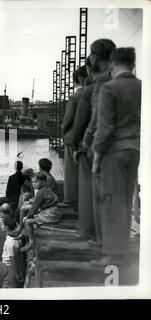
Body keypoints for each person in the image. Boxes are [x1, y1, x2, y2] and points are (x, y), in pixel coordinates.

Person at [91, 47, 141, 265]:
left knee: (112, 201)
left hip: (114, 151)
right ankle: (125, 250)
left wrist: (96, 155)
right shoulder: (142, 86)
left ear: (112, 64)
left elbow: (104, 128)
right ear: (133, 64)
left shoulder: (109, 88)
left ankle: (113, 254)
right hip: (135, 149)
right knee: (126, 198)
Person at [82, 38, 116, 247]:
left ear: (95, 58)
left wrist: (87, 144)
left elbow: (97, 120)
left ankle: (104, 244)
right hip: (125, 148)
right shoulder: (122, 80)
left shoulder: (101, 84)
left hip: (102, 148)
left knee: (100, 196)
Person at [72, 57, 96, 241]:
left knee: (84, 186)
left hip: (88, 144)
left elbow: (77, 123)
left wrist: (77, 143)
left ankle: (87, 231)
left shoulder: (84, 93)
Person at [63, 66, 88, 208]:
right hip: (87, 139)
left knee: (71, 172)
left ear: (76, 79)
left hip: (72, 138)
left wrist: (64, 132)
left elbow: (67, 120)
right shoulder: (93, 93)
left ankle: (70, 200)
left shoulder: (75, 97)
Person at [19, 172, 60, 252]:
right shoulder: (45, 190)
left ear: (43, 182)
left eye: (36, 182)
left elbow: (34, 207)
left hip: (49, 214)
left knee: (27, 221)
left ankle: (31, 243)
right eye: (33, 182)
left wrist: (27, 217)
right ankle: (26, 234)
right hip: (53, 212)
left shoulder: (41, 192)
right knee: (33, 223)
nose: (34, 184)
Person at [1, 216, 21, 288]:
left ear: (6, 227)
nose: (1, 226)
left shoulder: (10, 241)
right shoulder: (14, 237)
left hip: (9, 268)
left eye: (2, 225)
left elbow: (12, 258)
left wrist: (16, 273)